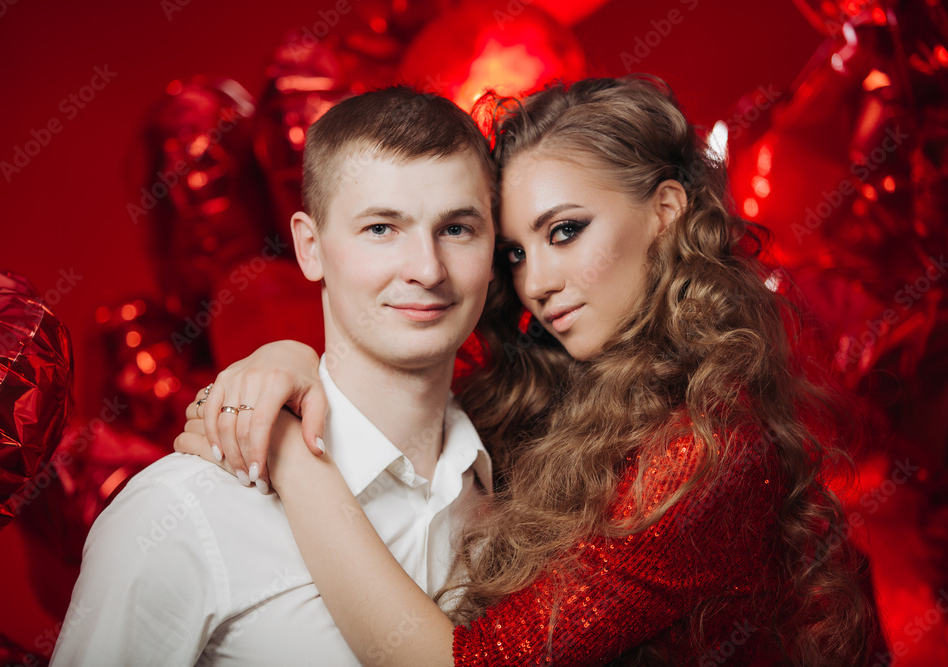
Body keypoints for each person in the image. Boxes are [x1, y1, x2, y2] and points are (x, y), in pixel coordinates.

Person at [176, 77, 880, 665]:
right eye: (513, 252)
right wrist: (288, 361)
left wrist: (294, 454)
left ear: (665, 211)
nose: (537, 282)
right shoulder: (552, 403)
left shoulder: (704, 447)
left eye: (565, 231)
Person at [51, 86, 498, 665]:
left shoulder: (521, 482)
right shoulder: (182, 511)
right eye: (381, 229)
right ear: (309, 248)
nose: (427, 269)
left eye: (457, 228)